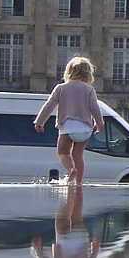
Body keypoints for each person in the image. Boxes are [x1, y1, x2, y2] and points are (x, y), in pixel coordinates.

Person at [34, 56, 103, 184]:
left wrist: (40, 121)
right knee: (78, 155)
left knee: (63, 152)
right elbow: (94, 107)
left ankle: (71, 170)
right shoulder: (89, 89)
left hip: (67, 126)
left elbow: (49, 106)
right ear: (88, 73)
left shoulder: (61, 88)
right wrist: (99, 123)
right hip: (85, 129)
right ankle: (78, 182)